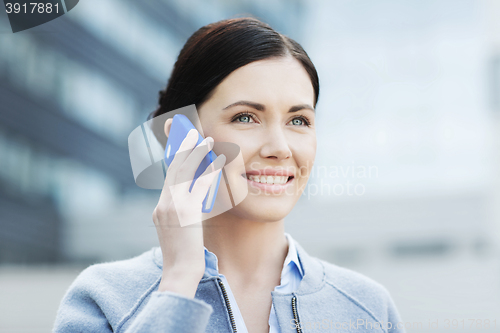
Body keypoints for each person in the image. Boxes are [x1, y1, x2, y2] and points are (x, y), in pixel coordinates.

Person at [52, 17, 405, 333]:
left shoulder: (367, 309)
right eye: (245, 117)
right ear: (181, 137)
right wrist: (179, 280)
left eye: (299, 120)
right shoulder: (104, 299)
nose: (280, 148)